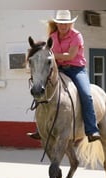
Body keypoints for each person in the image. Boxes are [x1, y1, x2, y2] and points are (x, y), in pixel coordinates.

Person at [27, 10, 100, 143]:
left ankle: (91, 129)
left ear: (70, 24)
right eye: (60, 23)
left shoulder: (76, 36)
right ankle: (40, 128)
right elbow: (46, 53)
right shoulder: (53, 36)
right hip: (59, 69)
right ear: (57, 24)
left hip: (77, 69)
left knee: (86, 94)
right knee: (42, 89)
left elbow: (70, 56)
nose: (63, 26)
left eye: (66, 23)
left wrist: (52, 57)